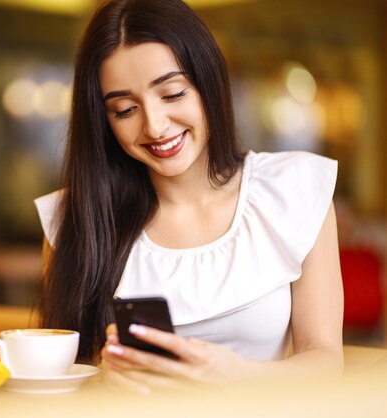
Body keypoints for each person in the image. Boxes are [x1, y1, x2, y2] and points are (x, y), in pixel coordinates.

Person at [34, 0, 343, 392]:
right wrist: (99, 383)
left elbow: (326, 361)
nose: (156, 126)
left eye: (173, 93)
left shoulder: (295, 190)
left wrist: (232, 375)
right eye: (125, 109)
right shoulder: (74, 219)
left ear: (207, 82)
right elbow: (56, 384)